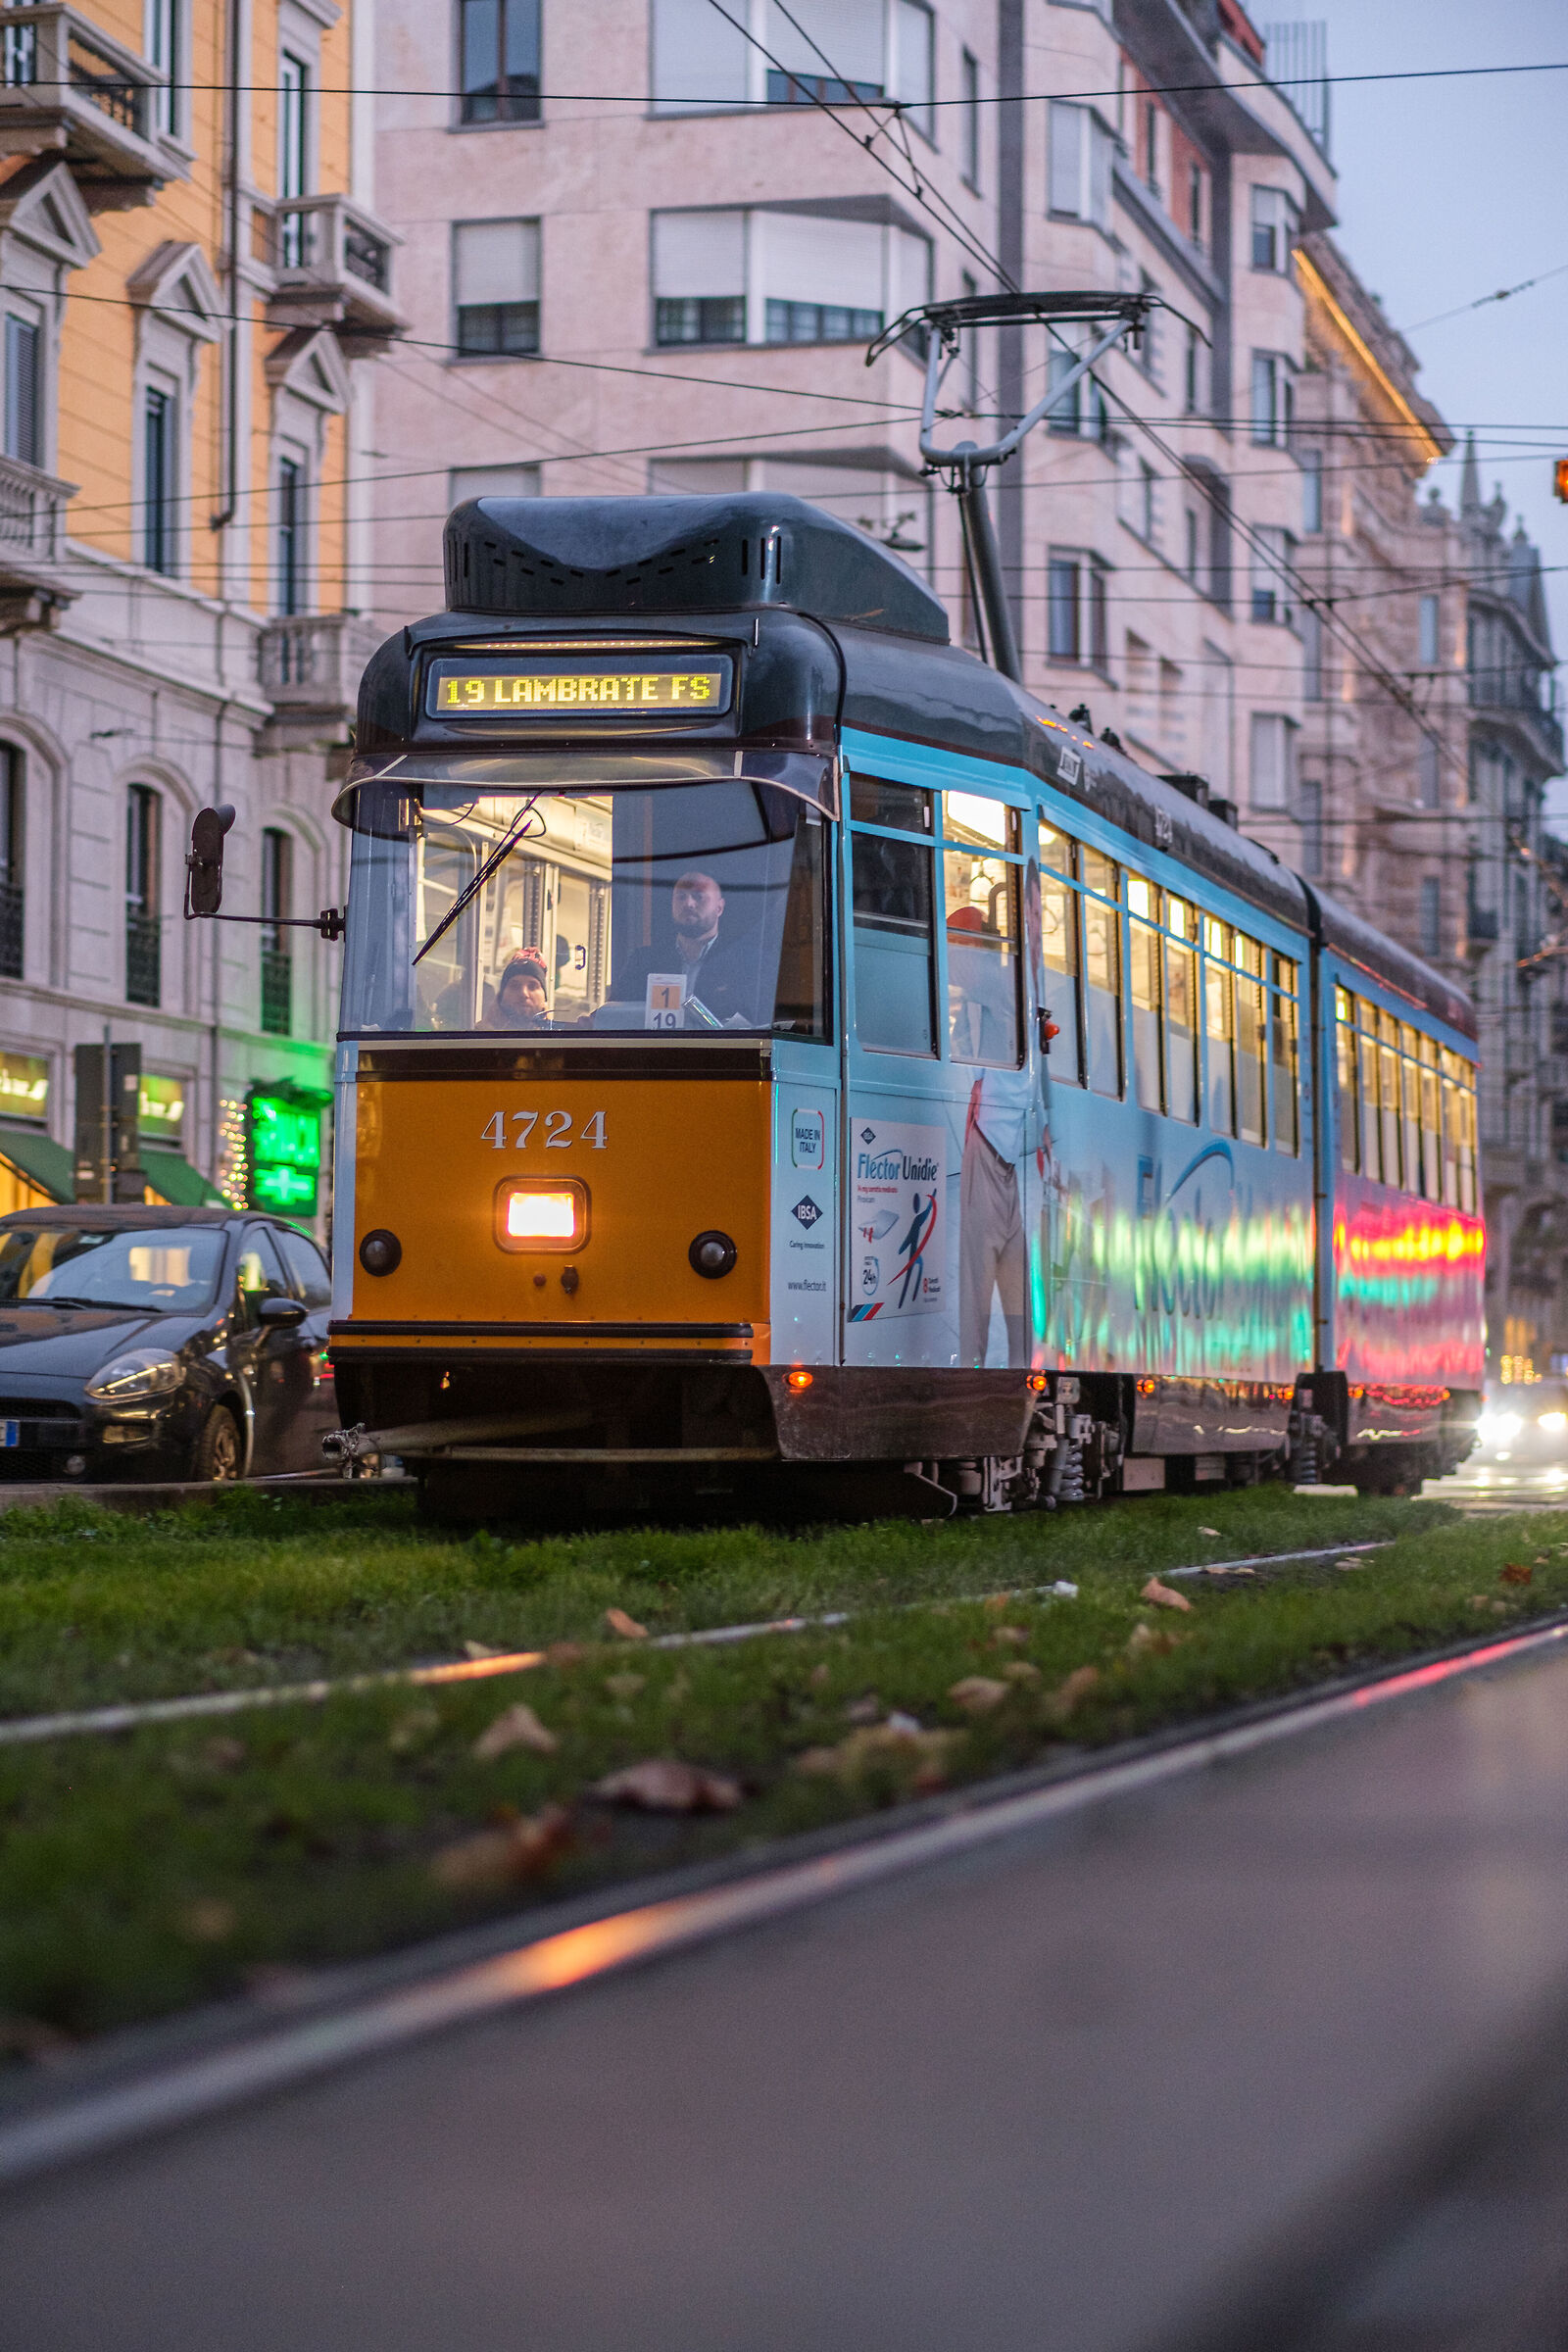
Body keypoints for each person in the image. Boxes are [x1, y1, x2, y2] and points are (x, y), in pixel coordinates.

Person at [611, 867, 760, 1026]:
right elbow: (614, 1012)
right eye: (681, 897)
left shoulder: (746, 965)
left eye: (698, 897)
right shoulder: (644, 961)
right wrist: (591, 1021)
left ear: (719, 908)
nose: (688, 904)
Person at [484, 948, 552, 1030]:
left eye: (532, 986)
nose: (524, 993)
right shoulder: (477, 1038)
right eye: (515, 986)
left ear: (544, 997)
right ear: (501, 995)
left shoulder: (558, 1039)